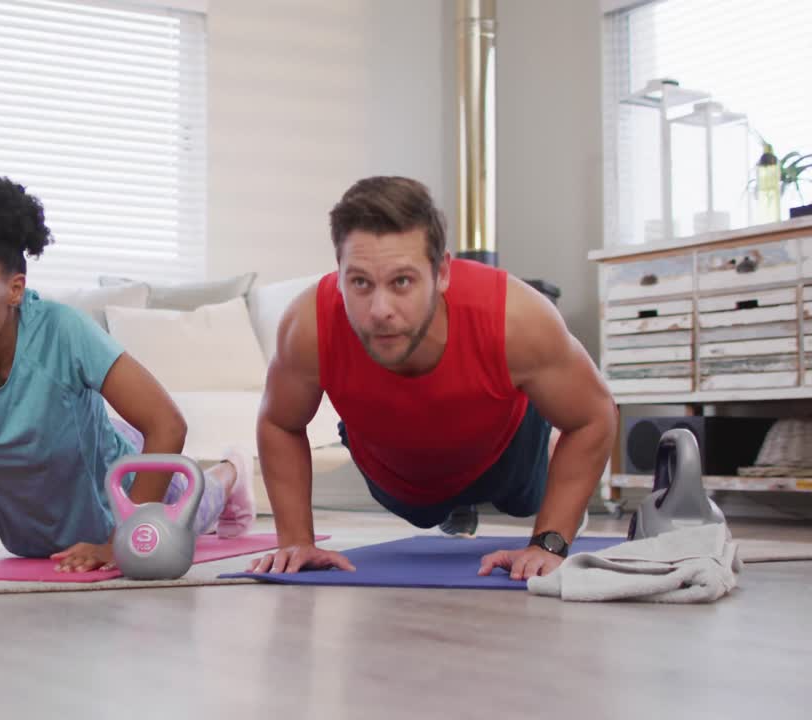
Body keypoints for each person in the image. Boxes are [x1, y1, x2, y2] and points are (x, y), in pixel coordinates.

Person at [0, 172, 255, 571]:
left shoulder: (63, 329)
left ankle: (231, 472)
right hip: (36, 533)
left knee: (195, 506)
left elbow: (167, 424)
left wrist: (123, 541)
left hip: (131, 485)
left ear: (14, 289)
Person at [247, 176, 616, 581]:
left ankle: (549, 478)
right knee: (422, 513)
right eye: (360, 283)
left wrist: (551, 541)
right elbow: (281, 423)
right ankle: (454, 507)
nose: (379, 310)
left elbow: (593, 415)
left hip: (508, 458)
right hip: (400, 475)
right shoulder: (308, 325)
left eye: (401, 281)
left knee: (526, 497)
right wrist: (297, 540)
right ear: (339, 273)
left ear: (442, 273)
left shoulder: (517, 317)